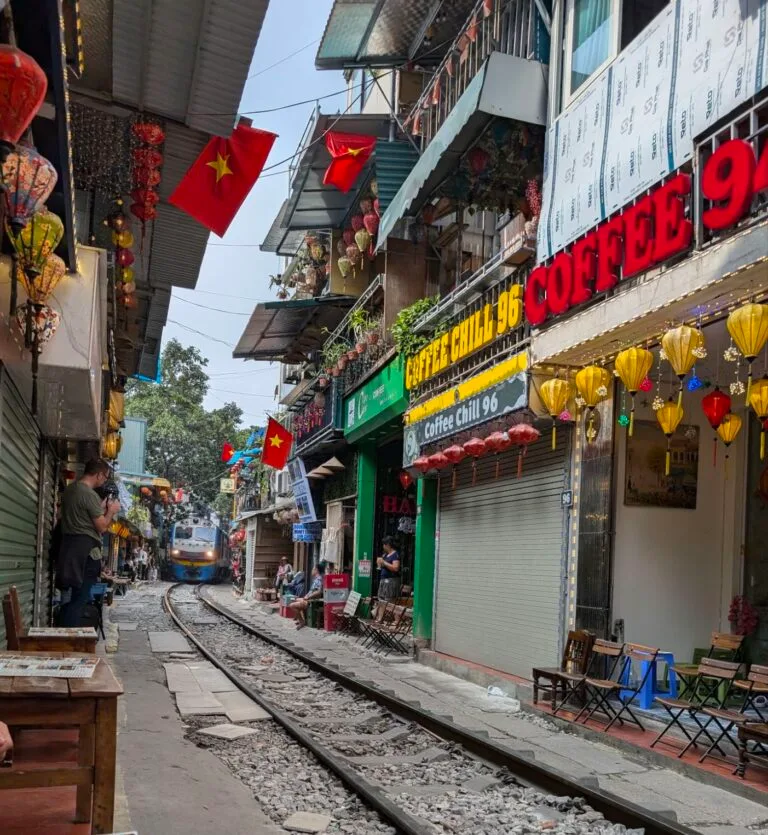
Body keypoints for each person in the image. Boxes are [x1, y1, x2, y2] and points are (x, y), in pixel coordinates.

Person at [57, 459, 120, 628]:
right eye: (105, 477)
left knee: (69, 596)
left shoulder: (71, 490)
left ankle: (62, 632)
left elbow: (80, 514)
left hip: (68, 548)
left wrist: (100, 508)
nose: (104, 481)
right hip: (86, 552)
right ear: (99, 474)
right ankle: (70, 639)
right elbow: (101, 527)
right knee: (80, 599)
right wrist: (111, 512)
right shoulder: (89, 494)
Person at [376, 535, 401, 601]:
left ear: (388, 545)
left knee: (388, 601)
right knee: (381, 600)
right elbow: (385, 566)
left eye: (384, 544)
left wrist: (384, 562)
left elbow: (396, 568)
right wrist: (380, 563)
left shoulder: (395, 554)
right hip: (384, 581)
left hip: (390, 582)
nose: (383, 546)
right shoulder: (386, 555)